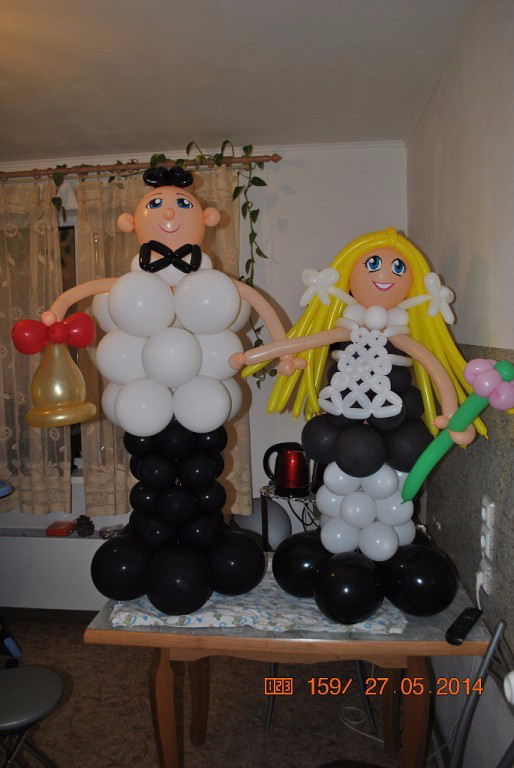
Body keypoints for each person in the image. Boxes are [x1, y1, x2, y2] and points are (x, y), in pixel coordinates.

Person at [241, 227, 485, 444]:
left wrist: (451, 413)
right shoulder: (348, 328)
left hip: (393, 416)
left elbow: (433, 365)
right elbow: (304, 342)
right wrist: (254, 356)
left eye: (398, 268)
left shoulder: (397, 332)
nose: (386, 275)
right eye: (374, 264)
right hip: (344, 408)